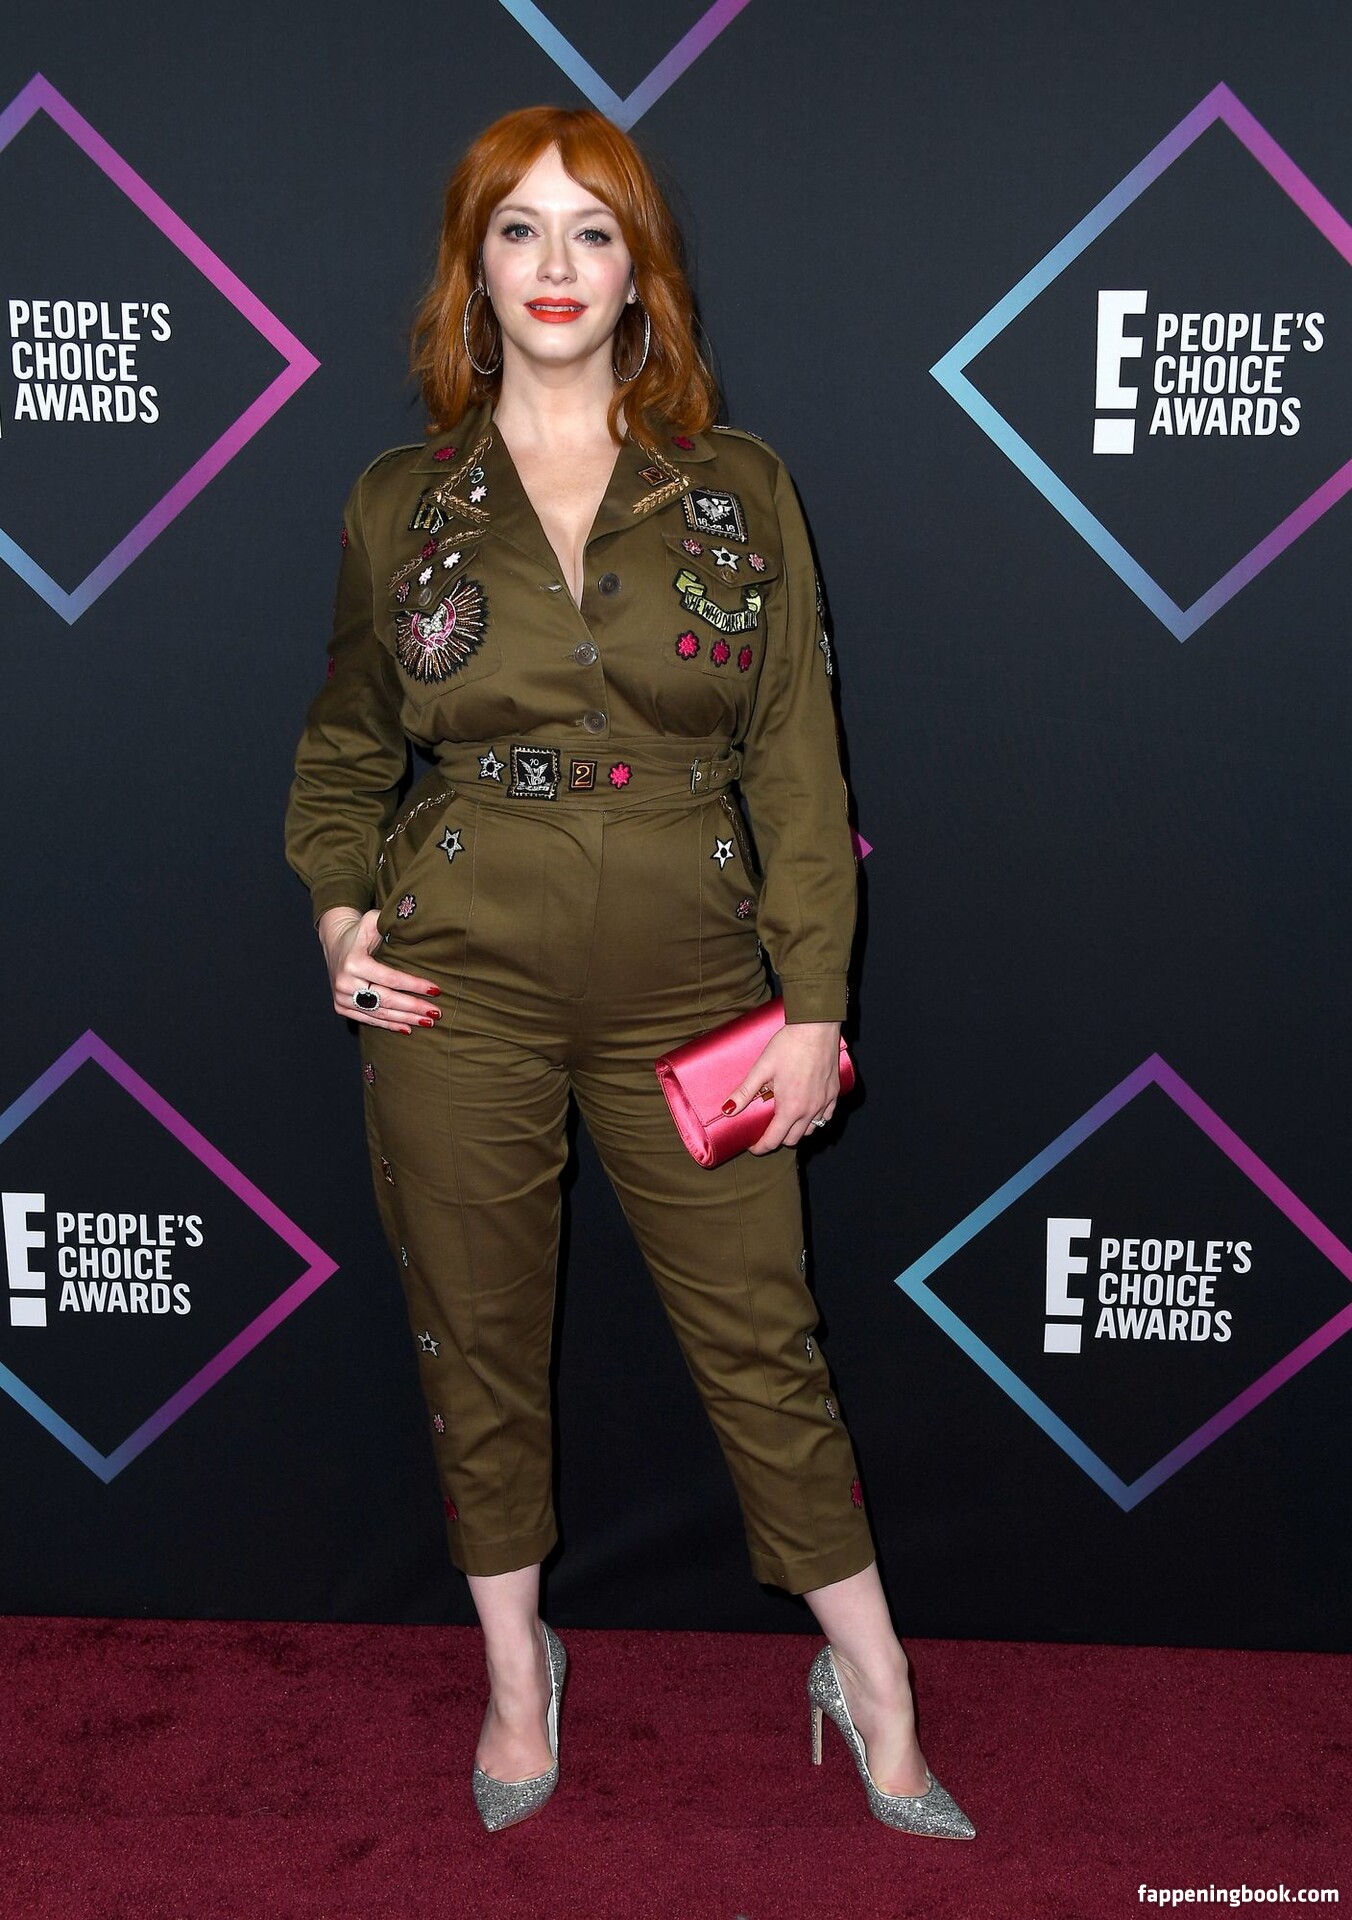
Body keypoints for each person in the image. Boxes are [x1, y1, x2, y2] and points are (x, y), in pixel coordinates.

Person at [285, 105, 972, 1841]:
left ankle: (874, 1682)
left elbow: (800, 764)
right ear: (473, 270)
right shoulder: (399, 503)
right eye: (517, 230)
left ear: (639, 271)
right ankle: (520, 1676)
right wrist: (341, 921)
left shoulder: (737, 486)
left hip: (701, 986)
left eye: (592, 231)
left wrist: (817, 1004)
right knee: (478, 1338)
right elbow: (348, 748)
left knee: (764, 1341)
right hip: (459, 989)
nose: (555, 265)